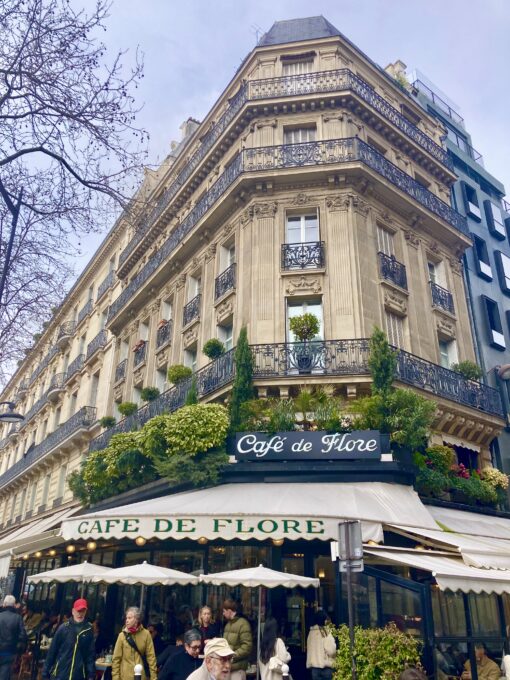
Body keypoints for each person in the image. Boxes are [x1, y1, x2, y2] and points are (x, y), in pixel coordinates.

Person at [42, 598, 95, 680]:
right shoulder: (63, 628)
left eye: (83, 611)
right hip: (60, 674)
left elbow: (90, 655)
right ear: (73, 611)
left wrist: (91, 675)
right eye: (78, 611)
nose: (80, 614)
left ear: (86, 612)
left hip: (78, 676)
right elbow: (52, 651)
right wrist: (45, 673)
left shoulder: (89, 630)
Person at [112, 606, 157, 680]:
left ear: (136, 620)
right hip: (124, 677)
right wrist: (115, 678)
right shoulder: (122, 636)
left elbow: (151, 657)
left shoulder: (146, 634)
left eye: (129, 618)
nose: (127, 620)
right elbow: (116, 659)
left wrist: (154, 677)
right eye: (126, 618)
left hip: (140, 676)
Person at [222, 599, 252, 680]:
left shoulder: (243, 624)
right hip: (228, 668)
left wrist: (232, 656)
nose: (223, 614)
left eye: (224, 611)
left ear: (229, 611)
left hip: (238, 670)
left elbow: (247, 647)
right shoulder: (227, 625)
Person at [0, 595, 27, 680]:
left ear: (4, 604)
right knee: (5, 675)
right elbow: (23, 636)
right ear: (14, 605)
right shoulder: (18, 618)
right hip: (9, 652)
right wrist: (18, 650)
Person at [306, 611, 336, 680]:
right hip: (326, 668)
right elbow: (331, 651)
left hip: (314, 668)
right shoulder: (325, 632)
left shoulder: (311, 633)